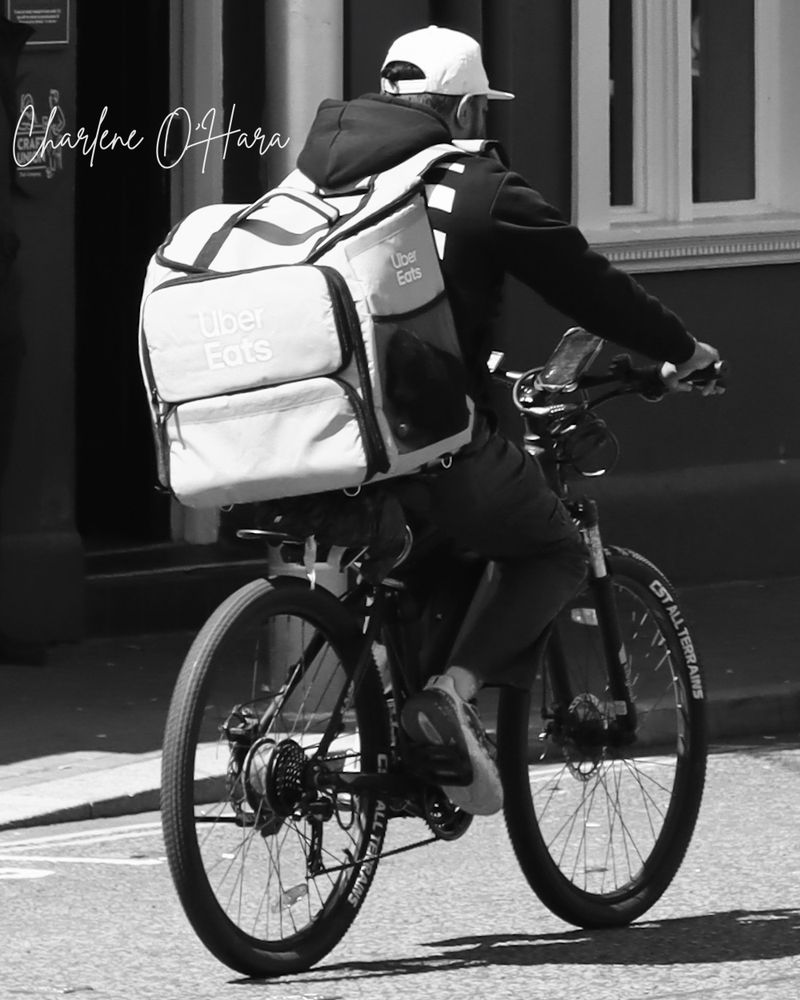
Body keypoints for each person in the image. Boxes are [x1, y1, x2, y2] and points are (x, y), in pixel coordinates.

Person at [295, 25, 721, 816]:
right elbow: (587, 285)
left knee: (425, 552)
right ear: (457, 109)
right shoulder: (474, 186)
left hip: (318, 433)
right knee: (552, 550)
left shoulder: (313, 182)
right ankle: (449, 697)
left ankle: (391, 738)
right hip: (423, 438)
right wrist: (682, 350)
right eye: (474, 110)